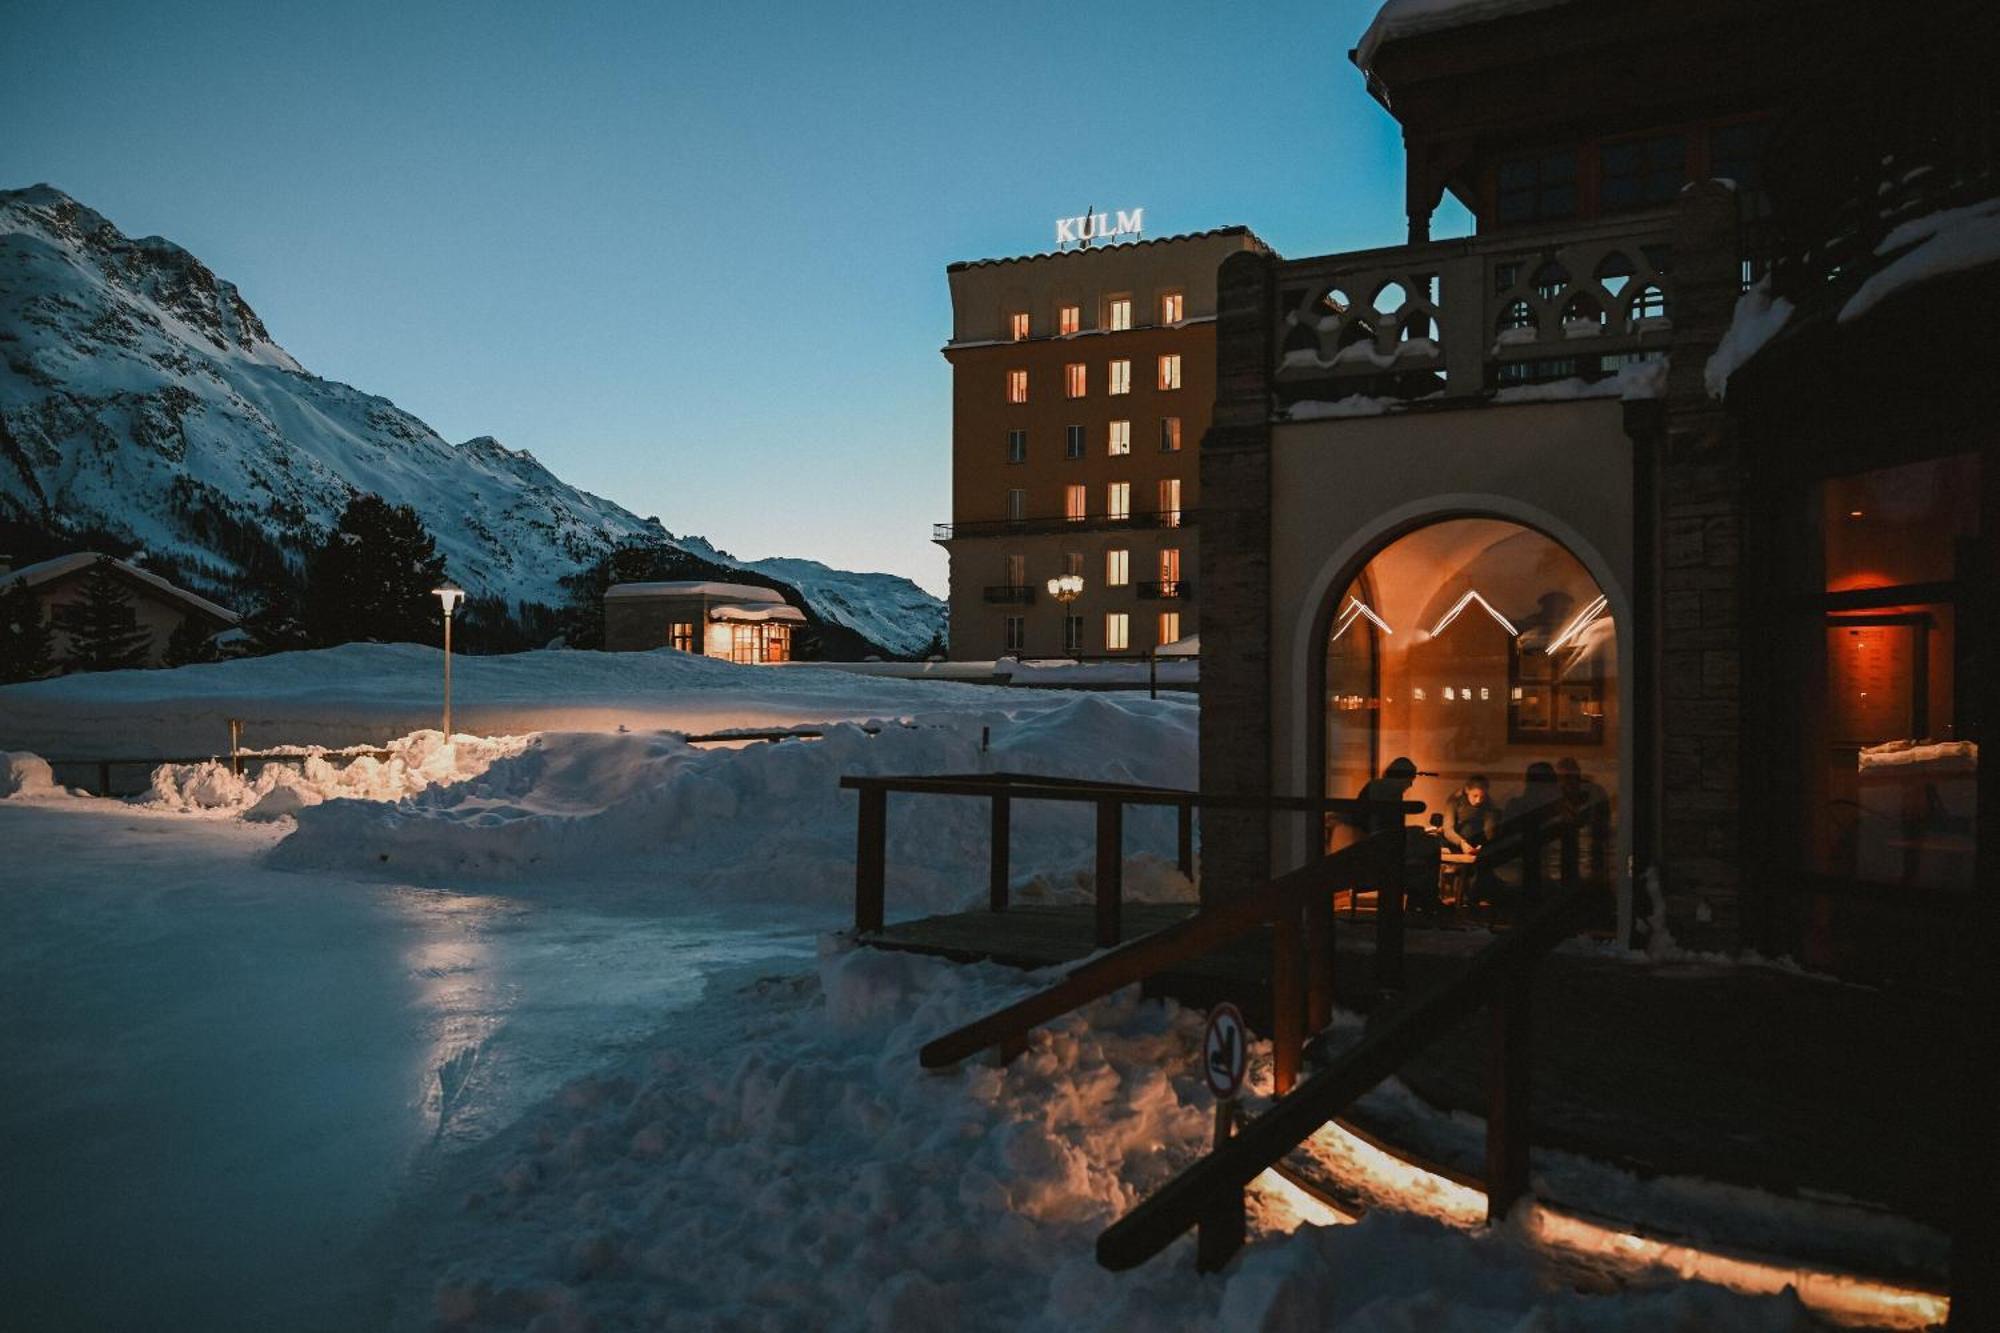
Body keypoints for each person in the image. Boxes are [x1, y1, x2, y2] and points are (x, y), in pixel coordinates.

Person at [1357, 757, 1440, 914]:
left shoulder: (1377, 785)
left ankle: (1422, 900)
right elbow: (1387, 827)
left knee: (1426, 846)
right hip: (1379, 843)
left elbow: (1385, 823)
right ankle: (1427, 900)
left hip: (1376, 840)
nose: (1411, 785)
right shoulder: (1390, 789)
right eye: (1411, 779)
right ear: (1405, 777)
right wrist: (1413, 832)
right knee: (1431, 845)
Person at [1443, 774, 1500, 853]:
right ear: (1467, 790)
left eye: (1482, 797)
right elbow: (1448, 829)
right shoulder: (1455, 800)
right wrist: (1461, 843)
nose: (1478, 801)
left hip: (1477, 840)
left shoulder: (1489, 804)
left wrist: (1484, 846)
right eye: (1475, 796)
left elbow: (1489, 830)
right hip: (1456, 839)